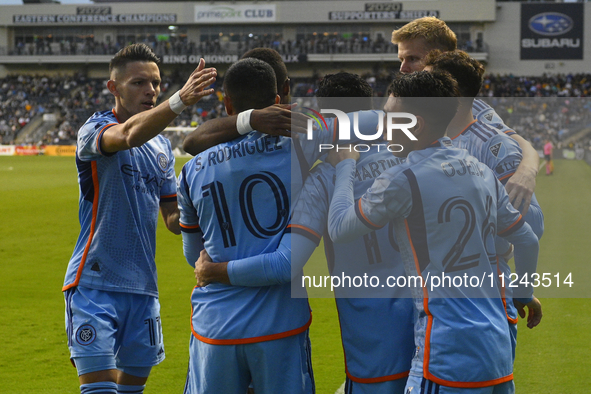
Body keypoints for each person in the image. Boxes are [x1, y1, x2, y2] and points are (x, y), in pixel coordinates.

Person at [194, 72, 416, 394]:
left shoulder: (323, 180)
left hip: (373, 347)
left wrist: (214, 271)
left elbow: (284, 264)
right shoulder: (411, 156)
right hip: (432, 333)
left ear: (325, 117)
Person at [327, 71, 542, 393]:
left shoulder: (402, 178)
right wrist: (524, 293)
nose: (381, 127)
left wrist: (345, 166)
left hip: (448, 352)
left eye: (388, 116)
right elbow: (526, 239)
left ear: (415, 124)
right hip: (497, 345)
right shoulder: (480, 170)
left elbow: (340, 229)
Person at [178, 58, 341, 394]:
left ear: (227, 105)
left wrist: (217, 267)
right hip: (279, 324)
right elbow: (348, 125)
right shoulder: (300, 142)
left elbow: (194, 256)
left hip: (215, 326)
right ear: (279, 101)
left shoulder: (192, 170)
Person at [62, 43, 216, 394]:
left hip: (143, 288)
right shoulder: (95, 129)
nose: (151, 90)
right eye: (139, 83)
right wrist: (179, 101)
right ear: (113, 87)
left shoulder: (162, 148)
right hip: (94, 283)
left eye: (156, 83)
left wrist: (207, 213)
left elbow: (172, 217)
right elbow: (128, 135)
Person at [423, 49, 545, 359]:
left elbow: (532, 224)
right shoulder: (428, 138)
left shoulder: (495, 147)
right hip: (437, 288)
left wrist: (522, 289)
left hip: (484, 292)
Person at [391, 16, 540, 216]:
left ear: (441, 58)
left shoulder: (471, 109)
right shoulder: (401, 107)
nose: (403, 69)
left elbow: (516, 142)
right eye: (401, 59)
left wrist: (527, 172)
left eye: (413, 59)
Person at [182, 48, 308, 156]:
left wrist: (250, 119)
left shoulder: (224, 139)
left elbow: (190, 143)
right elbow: (190, 143)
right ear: (286, 88)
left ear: (228, 104)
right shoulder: (305, 134)